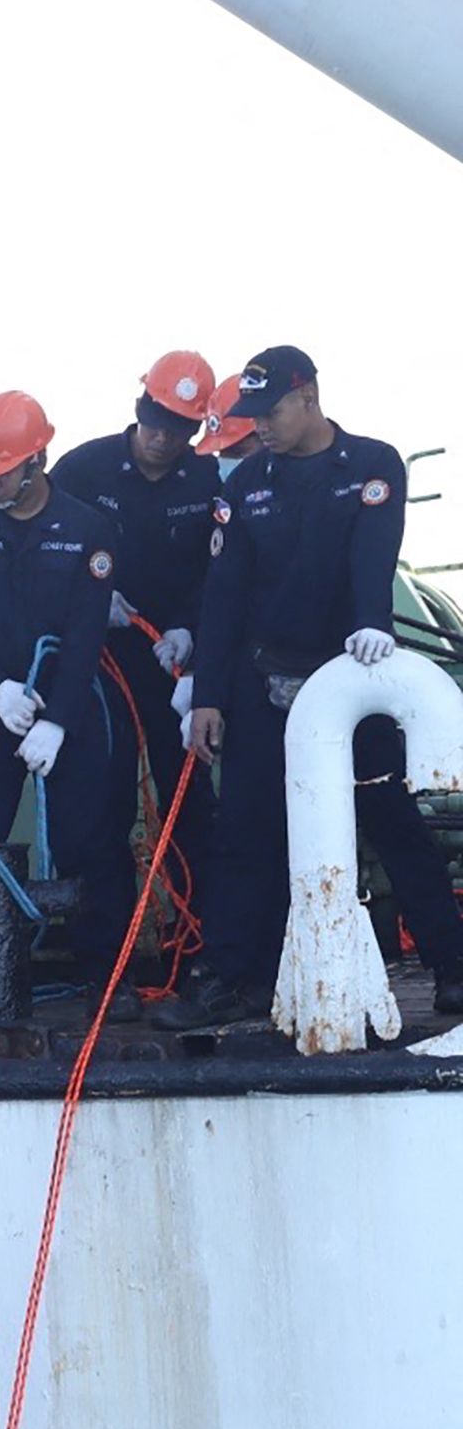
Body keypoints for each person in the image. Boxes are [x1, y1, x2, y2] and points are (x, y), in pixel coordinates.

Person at [153, 346, 463, 1027]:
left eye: (268, 411)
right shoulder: (243, 487)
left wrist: (372, 624)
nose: (258, 425)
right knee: (246, 827)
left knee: (390, 820)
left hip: (349, 671)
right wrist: (206, 692)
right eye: (249, 414)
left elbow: (372, 551)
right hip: (264, 677)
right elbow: (225, 592)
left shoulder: (371, 466)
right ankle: (233, 976)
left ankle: (452, 961)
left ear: (308, 397)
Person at [0, 391, 137, 1016]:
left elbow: (85, 631)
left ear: (37, 460)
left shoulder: (87, 531)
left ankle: (106, 976)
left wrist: (59, 722)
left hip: (65, 707)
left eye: (2, 471)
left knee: (91, 841)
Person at [51, 352, 222, 891]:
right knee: (102, 798)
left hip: (172, 662)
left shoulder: (206, 480)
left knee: (185, 799)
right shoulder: (82, 470)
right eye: (154, 421)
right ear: (138, 408)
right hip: (97, 664)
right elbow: (42, 548)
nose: (161, 438)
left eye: (177, 428)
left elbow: (222, 572)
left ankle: (198, 948)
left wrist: (189, 630)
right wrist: (86, 601)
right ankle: (106, 950)